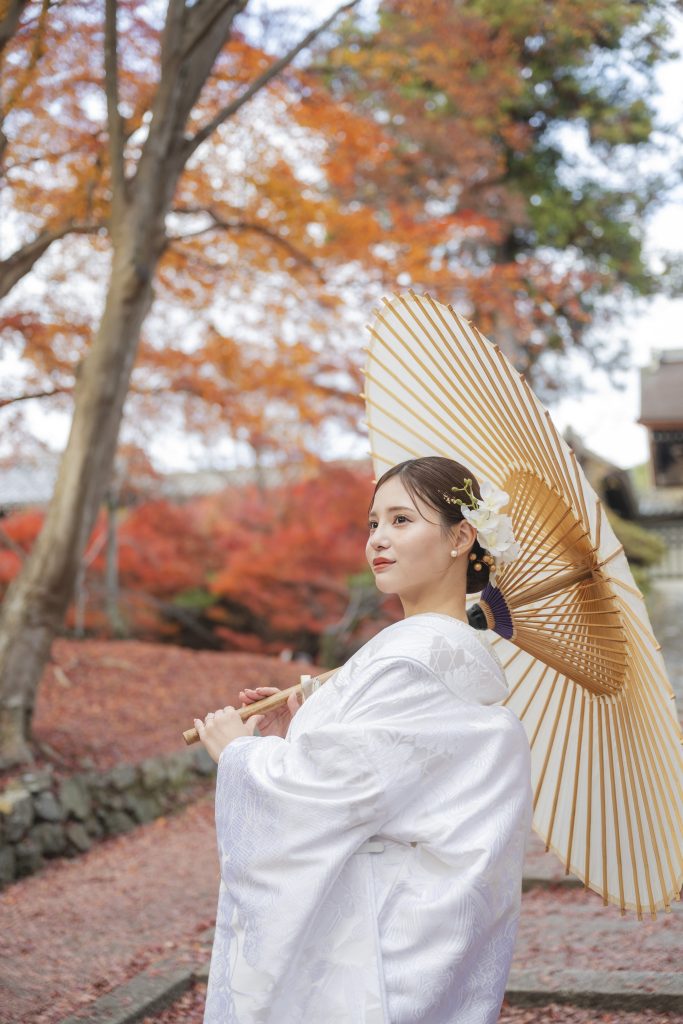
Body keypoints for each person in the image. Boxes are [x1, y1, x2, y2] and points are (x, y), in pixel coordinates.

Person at [195, 456, 532, 1024]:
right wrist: (295, 730)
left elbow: (330, 789)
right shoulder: (424, 655)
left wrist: (242, 754)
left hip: (372, 946)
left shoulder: (414, 662)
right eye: (373, 522)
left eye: (402, 520)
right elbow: (375, 777)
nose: (377, 538)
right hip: (403, 933)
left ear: (462, 537)